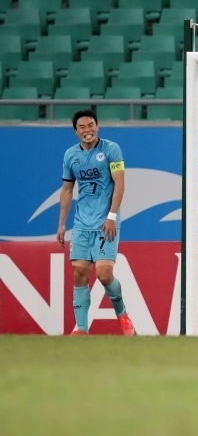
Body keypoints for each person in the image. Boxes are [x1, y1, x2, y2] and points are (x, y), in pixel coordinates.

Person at [57, 110, 136, 335]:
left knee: (104, 275)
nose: (87, 130)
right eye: (82, 127)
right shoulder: (70, 155)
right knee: (79, 274)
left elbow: (119, 184)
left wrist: (111, 216)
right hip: (82, 224)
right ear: (76, 131)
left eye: (90, 125)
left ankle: (123, 316)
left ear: (97, 126)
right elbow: (66, 189)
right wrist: (62, 224)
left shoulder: (111, 149)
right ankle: (81, 329)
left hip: (105, 223)